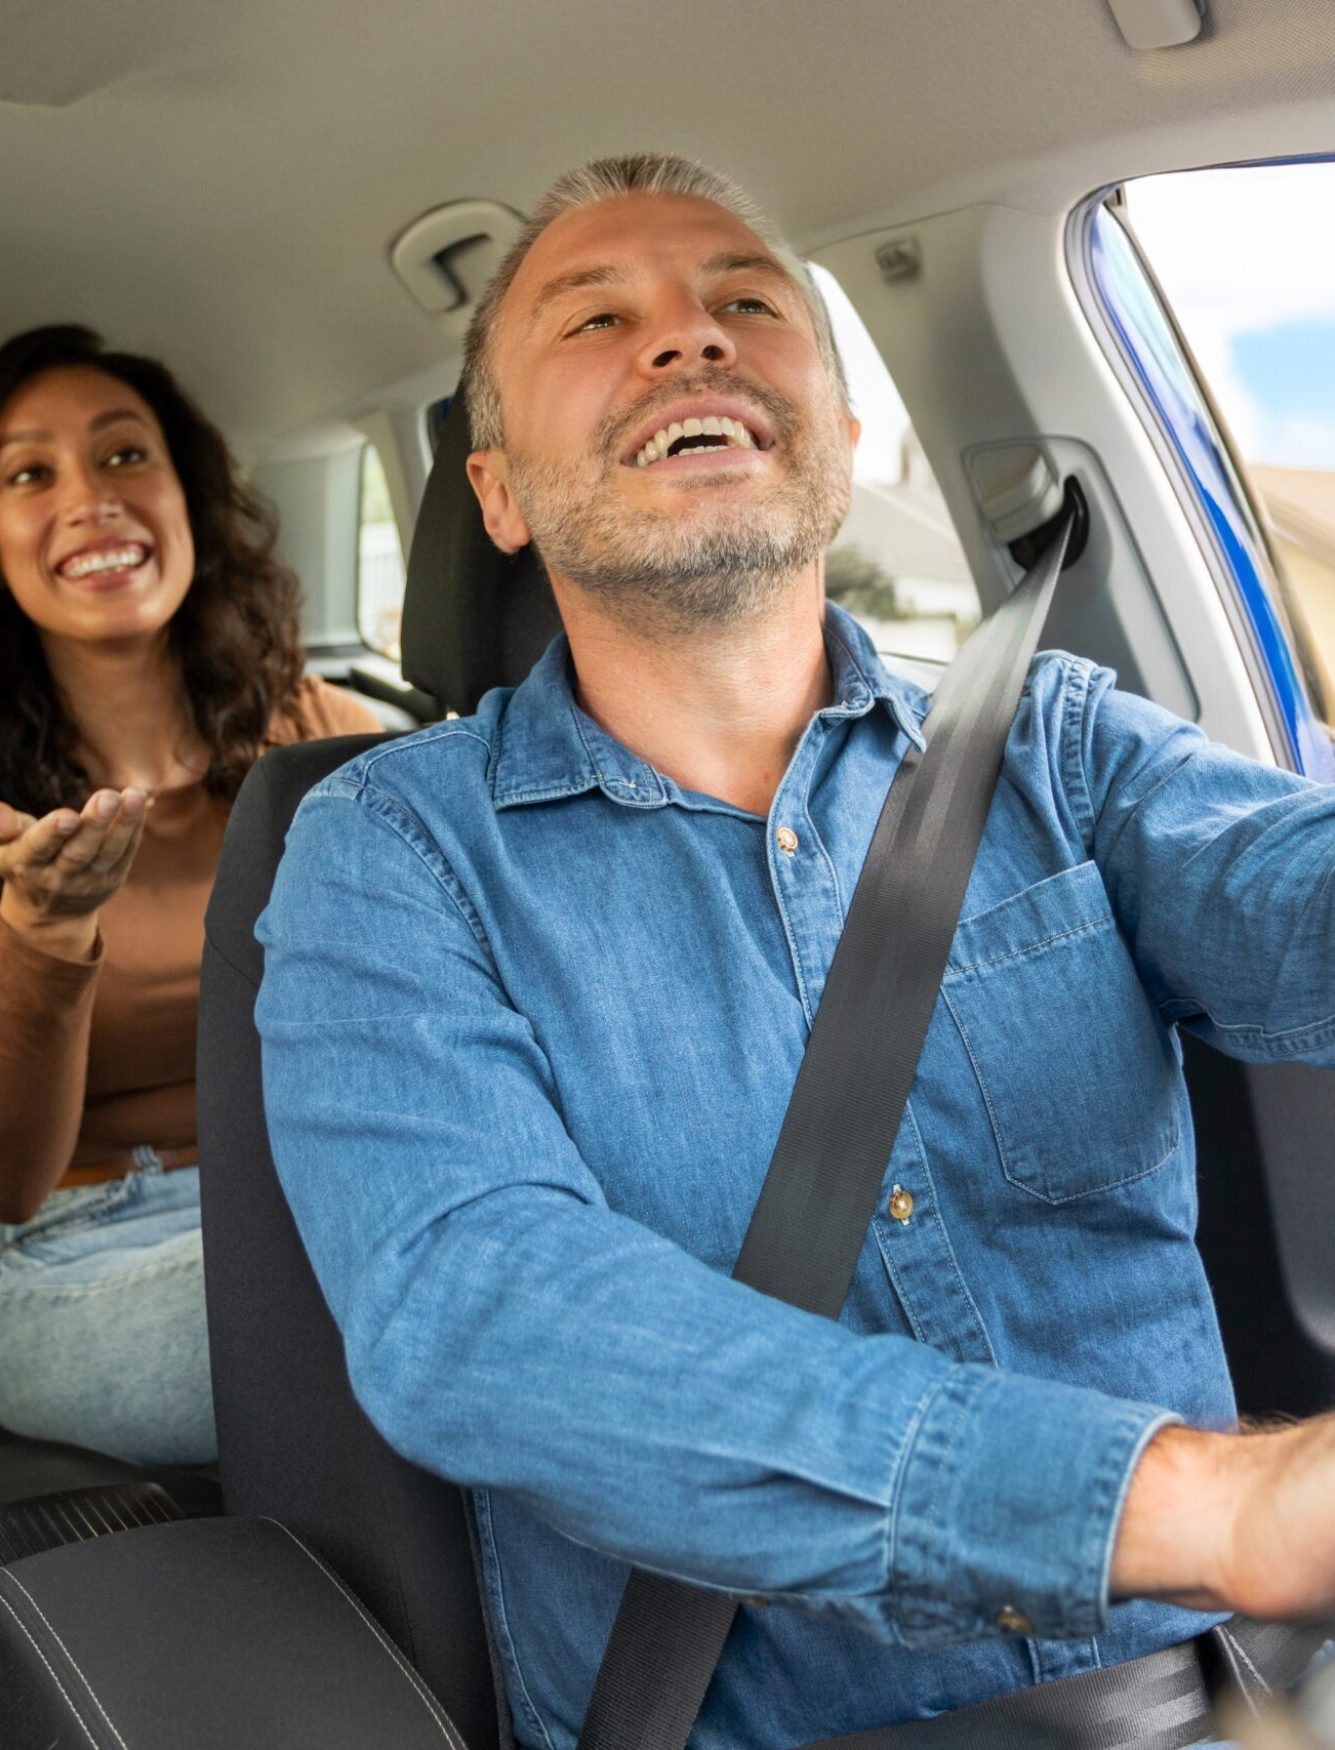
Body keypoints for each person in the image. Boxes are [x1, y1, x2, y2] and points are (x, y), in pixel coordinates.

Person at [256, 155, 1335, 1748]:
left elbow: (1284, 892)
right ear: (495, 492)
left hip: (1202, 1700)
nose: (688, 340)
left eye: (745, 301)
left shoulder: (1059, 746)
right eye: (597, 315)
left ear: (835, 436)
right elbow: (480, 1307)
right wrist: (1196, 1510)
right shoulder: (390, 849)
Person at [0, 324, 381, 1467]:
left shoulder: (325, 736)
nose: (91, 499)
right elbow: (7, 1191)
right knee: (384, 1315)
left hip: (316, 1195)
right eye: (27, 473)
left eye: (125, 456)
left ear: (187, 495)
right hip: (70, 1252)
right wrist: (46, 932)